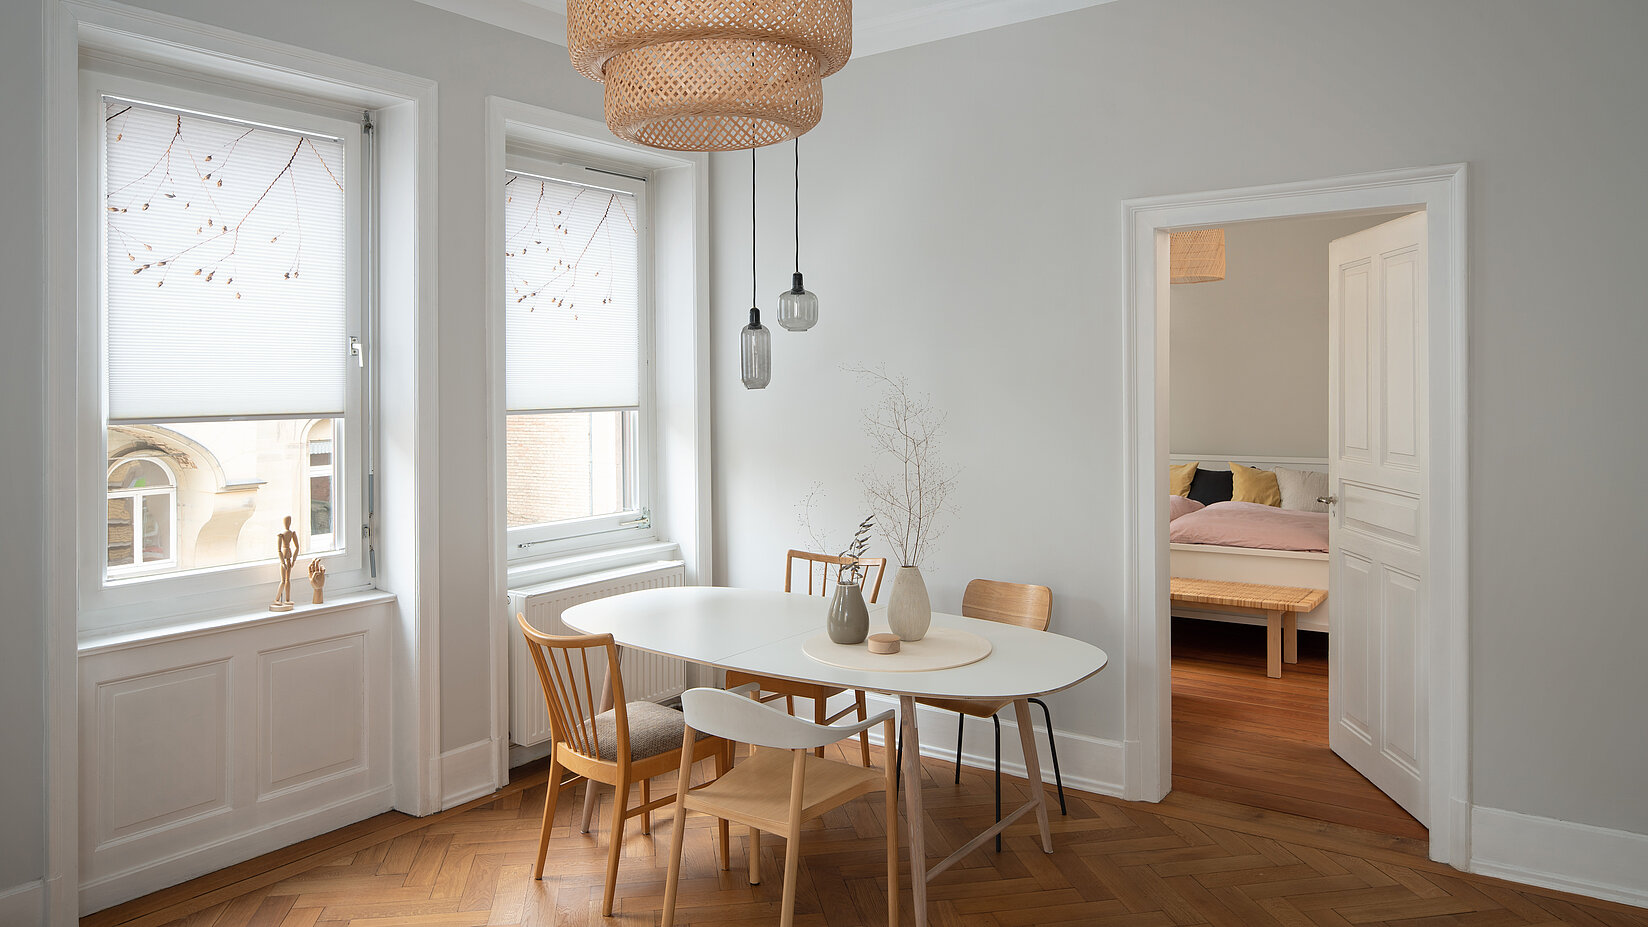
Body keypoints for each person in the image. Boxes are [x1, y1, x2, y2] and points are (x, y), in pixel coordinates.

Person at [273, 515, 299, 609]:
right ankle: (277, 599)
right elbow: (279, 550)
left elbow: (297, 547)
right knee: (283, 580)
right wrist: (282, 562)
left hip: (288, 558)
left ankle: (287, 599)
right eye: (287, 521)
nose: (288, 523)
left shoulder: (292, 533)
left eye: (289, 521)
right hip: (284, 558)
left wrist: (294, 560)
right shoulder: (281, 535)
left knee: (288, 580)